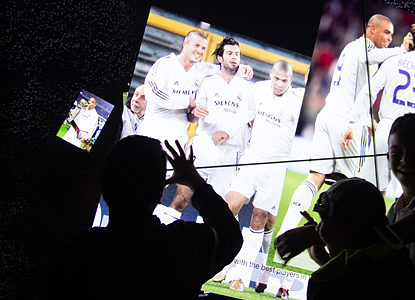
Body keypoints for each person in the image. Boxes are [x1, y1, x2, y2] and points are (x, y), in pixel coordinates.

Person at [276, 114, 415, 300]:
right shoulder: (395, 210)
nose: (406, 160)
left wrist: (315, 233)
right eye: (397, 152)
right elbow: (365, 269)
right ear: (388, 157)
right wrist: (321, 250)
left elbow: (381, 238)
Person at [44, 136, 243, 300]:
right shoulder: (183, 245)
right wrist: (193, 180)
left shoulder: (72, 256)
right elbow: (231, 233)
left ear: (104, 185)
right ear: (159, 192)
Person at [277, 14, 412, 238]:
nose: (390, 37)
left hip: (327, 117)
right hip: (346, 124)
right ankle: (338, 241)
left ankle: (286, 232)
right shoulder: (364, 48)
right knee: (351, 187)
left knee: (315, 177)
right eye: (386, 32)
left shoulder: (350, 48)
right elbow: (381, 56)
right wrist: (403, 50)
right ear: (371, 29)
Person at [210, 61, 302, 294]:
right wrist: (228, 131)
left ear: (291, 80)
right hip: (253, 157)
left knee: (261, 219)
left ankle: (241, 275)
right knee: (228, 207)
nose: (279, 84)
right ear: (271, 75)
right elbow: (243, 113)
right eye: (276, 79)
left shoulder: (296, 102)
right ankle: (223, 261)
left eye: (285, 80)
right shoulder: (258, 90)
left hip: (275, 166)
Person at [346, 20, 415, 197]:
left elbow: (369, 91)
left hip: (386, 131)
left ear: (410, 40)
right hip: (414, 138)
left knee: (371, 193)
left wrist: (353, 121)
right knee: (408, 197)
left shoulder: (393, 61)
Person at [188, 37, 255, 200]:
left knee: (216, 202)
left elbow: (252, 120)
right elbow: (193, 116)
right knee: (186, 192)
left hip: (231, 150)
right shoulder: (208, 81)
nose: (234, 57)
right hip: (205, 142)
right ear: (220, 58)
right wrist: (194, 113)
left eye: (237, 54)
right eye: (230, 53)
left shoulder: (248, 88)